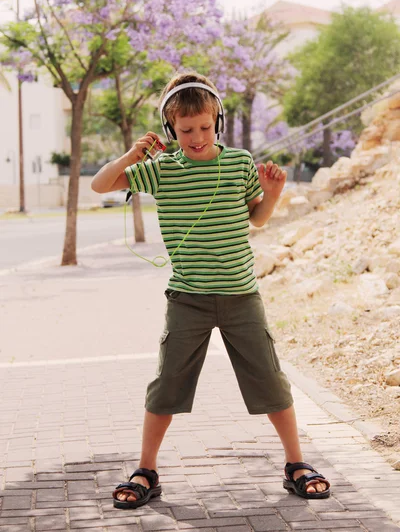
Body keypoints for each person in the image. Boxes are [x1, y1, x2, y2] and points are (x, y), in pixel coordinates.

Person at [91, 71, 331, 509]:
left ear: (216, 121)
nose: (197, 137)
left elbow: (257, 218)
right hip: (188, 300)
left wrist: (273, 194)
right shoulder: (162, 169)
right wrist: (132, 154)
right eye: (185, 130)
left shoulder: (239, 162)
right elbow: (100, 185)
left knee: (271, 381)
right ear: (170, 129)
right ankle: (146, 470)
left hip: (242, 296)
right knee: (167, 385)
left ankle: (296, 463)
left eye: (204, 126)